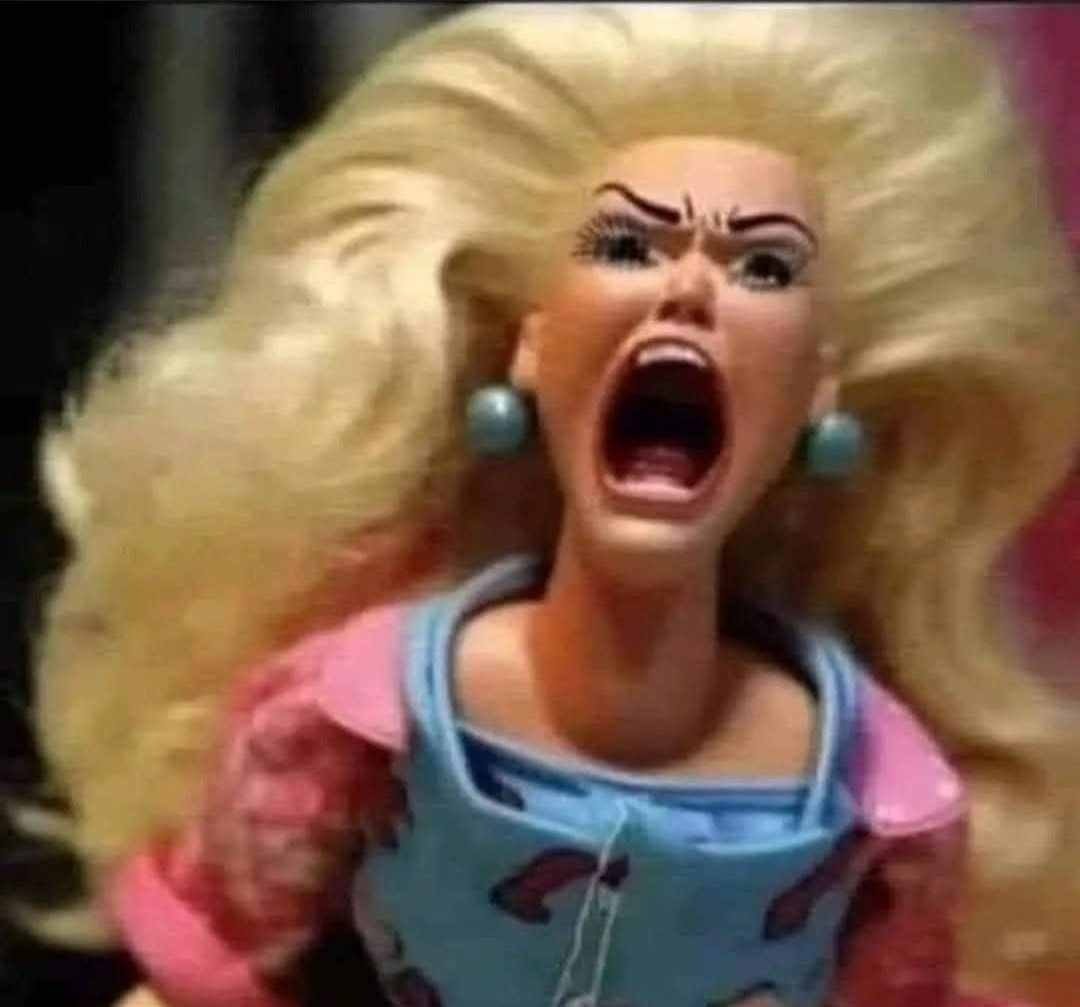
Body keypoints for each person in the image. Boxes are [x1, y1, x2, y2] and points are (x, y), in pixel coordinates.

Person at [29, 5, 1080, 1006]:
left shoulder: (878, 792)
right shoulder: (353, 712)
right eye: (628, 247)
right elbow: (220, 977)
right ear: (530, 350)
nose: (689, 288)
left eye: (762, 264)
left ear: (818, 394)